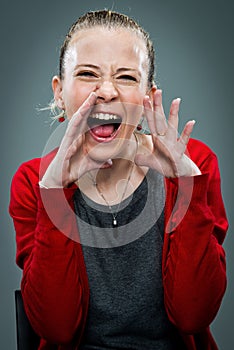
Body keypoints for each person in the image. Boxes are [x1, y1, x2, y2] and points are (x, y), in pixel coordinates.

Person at [9, 9, 228, 350]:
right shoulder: (31, 181)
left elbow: (193, 316)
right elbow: (57, 328)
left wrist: (188, 185)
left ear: (147, 95)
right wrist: (53, 193)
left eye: (126, 77)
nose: (107, 91)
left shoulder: (195, 163)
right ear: (59, 91)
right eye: (87, 73)